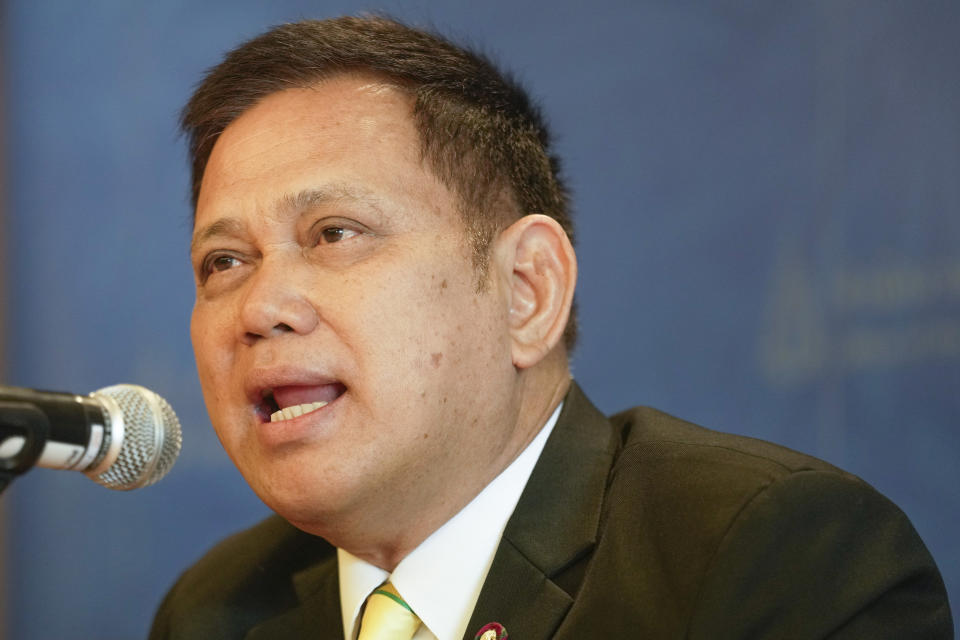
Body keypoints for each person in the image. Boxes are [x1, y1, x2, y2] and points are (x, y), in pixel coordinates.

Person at [150, 16, 952, 640]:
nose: (260, 308)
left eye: (334, 233)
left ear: (525, 292)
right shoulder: (216, 611)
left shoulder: (772, 562)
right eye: (223, 262)